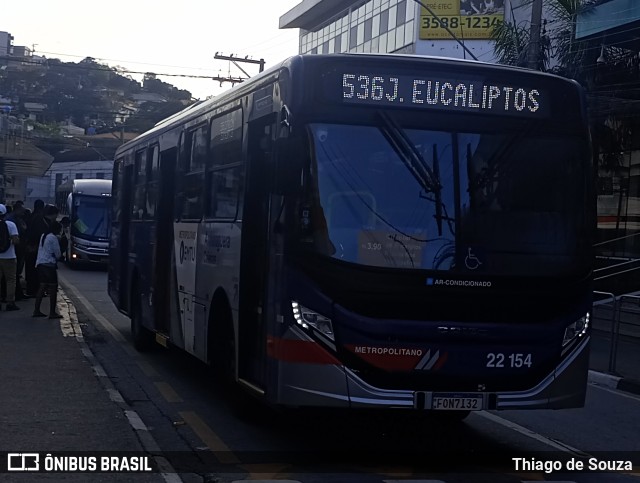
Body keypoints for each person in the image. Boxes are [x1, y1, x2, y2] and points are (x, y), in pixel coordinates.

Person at [33, 221, 63, 319]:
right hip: (49, 265)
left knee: (41, 287)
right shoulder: (53, 238)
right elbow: (58, 254)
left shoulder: (44, 235)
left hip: (40, 264)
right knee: (53, 289)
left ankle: (36, 310)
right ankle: (52, 312)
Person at [6, 201, 29, 300]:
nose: (23, 212)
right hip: (13, 251)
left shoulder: (17, 219)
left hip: (15, 250)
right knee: (12, 276)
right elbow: (16, 237)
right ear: (18, 209)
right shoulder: (11, 221)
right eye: (22, 210)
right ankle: (12, 298)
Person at [0, 203, 20, 311]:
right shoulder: (11, 225)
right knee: (10, 280)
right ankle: (10, 302)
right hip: (9, 257)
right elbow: (16, 240)